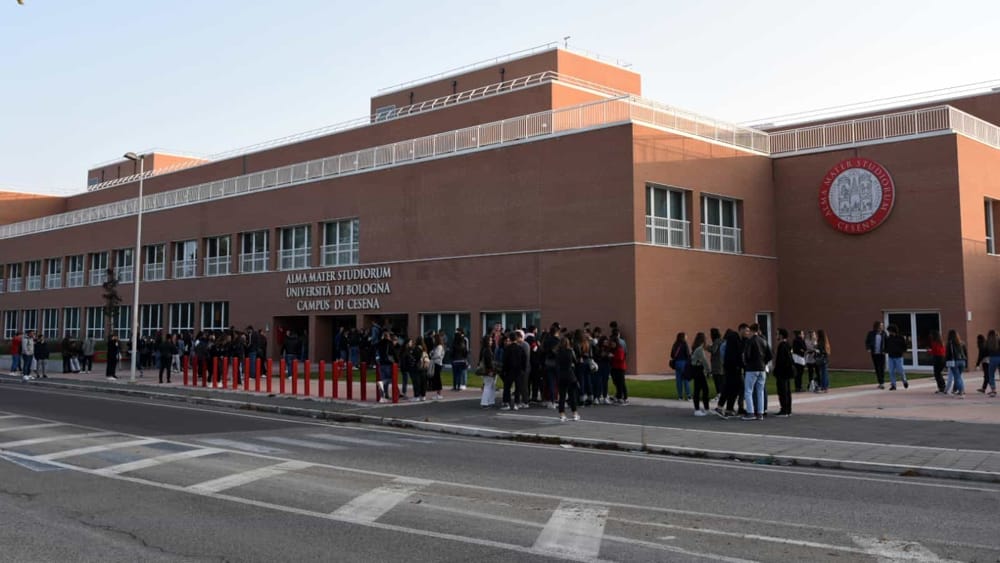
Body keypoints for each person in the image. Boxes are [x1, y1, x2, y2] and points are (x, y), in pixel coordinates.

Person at [741, 324, 772, 420]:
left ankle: (750, 412)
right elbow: (770, 355)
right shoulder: (764, 341)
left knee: (748, 391)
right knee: (760, 391)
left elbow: (747, 355)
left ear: (751, 330)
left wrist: (746, 363)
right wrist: (764, 362)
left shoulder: (750, 341)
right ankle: (760, 413)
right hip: (762, 368)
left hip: (751, 368)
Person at [555, 336, 580, 421]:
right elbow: (575, 362)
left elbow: (557, 363)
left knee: (562, 396)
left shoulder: (558, 353)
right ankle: (575, 414)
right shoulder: (570, 351)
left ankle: (562, 414)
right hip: (570, 374)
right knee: (572, 395)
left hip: (561, 375)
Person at [501, 333, 527, 410]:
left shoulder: (507, 349)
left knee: (507, 387)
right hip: (519, 370)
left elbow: (505, 360)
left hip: (510, 370)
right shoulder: (520, 348)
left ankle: (507, 403)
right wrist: (523, 369)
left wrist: (504, 370)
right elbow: (524, 360)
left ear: (510, 339)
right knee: (518, 387)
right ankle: (516, 403)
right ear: (516, 339)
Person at [689, 332, 710, 416]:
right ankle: (700, 409)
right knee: (703, 389)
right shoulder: (699, 349)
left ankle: (702, 409)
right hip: (698, 370)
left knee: (699, 389)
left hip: (696, 370)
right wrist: (708, 370)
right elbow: (704, 360)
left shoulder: (696, 348)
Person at [774, 329, 794, 417]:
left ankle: (784, 410)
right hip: (788, 371)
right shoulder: (788, 345)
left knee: (782, 391)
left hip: (782, 372)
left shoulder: (782, 346)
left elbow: (780, 360)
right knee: (787, 391)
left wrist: (776, 370)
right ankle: (788, 409)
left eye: (777, 334)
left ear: (781, 335)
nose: (776, 336)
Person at [865, 321, 888, 389]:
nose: (882, 327)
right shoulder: (871, 333)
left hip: (882, 353)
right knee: (877, 368)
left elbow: (887, 342)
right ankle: (880, 382)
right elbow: (867, 341)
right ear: (877, 326)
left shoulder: (884, 333)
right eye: (881, 325)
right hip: (874, 353)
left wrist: (886, 350)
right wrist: (868, 348)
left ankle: (882, 383)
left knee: (882, 368)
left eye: (882, 325)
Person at [945, 329, 967, 397]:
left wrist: (946, 362)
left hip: (955, 361)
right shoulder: (962, 343)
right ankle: (960, 389)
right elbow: (965, 353)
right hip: (962, 361)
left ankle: (961, 391)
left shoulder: (949, 343)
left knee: (957, 377)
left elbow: (948, 354)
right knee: (959, 377)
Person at [885, 324, 908, 390]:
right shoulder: (888, 338)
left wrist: (901, 351)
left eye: (889, 331)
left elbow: (905, 347)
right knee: (891, 371)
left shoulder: (900, 338)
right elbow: (887, 347)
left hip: (898, 357)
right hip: (891, 357)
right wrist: (886, 351)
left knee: (900, 370)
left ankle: (904, 381)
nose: (889, 332)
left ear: (893, 330)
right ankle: (893, 385)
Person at [670, 332, 691, 401]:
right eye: (686, 336)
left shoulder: (675, 344)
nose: (686, 337)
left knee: (678, 380)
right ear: (683, 337)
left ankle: (680, 396)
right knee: (686, 380)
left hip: (676, 363)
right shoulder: (684, 344)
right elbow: (688, 354)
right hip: (683, 363)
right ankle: (688, 396)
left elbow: (672, 355)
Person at [376, 331, 396, 403]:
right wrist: (396, 361)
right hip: (388, 363)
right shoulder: (389, 343)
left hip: (381, 363)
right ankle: (382, 386)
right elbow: (393, 352)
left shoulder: (379, 343)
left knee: (383, 378)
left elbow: (376, 351)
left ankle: (383, 396)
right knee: (389, 379)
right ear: (388, 336)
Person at [478, 335, 496, 408]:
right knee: (488, 386)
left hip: (485, 370)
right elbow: (489, 362)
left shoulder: (483, 349)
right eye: (490, 340)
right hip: (488, 371)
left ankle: (490, 401)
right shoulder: (488, 350)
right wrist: (491, 370)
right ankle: (485, 402)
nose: (491, 342)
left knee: (490, 386)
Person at [609, 337, 628, 405]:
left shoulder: (619, 350)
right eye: (611, 344)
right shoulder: (614, 350)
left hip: (620, 368)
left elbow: (620, 358)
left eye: (613, 344)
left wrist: (613, 356)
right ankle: (619, 396)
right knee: (617, 383)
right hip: (615, 368)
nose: (612, 345)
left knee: (620, 383)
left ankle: (622, 397)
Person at [708, 328, 725, 399]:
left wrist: (707, 347)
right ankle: (722, 393)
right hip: (722, 362)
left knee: (717, 379)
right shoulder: (722, 340)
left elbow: (713, 350)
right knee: (722, 379)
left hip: (716, 363)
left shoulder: (716, 341)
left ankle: (719, 394)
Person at [428, 333, 445, 400]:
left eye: (433, 339)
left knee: (437, 379)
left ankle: (439, 394)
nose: (433, 340)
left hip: (437, 364)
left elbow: (437, 355)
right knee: (436, 378)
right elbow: (431, 352)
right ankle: (438, 393)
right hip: (436, 363)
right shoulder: (437, 347)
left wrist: (432, 355)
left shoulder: (439, 347)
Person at [984, 330, 1000, 398]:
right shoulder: (999, 340)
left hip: (992, 358)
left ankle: (993, 390)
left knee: (991, 375)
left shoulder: (988, 341)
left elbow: (985, 351)